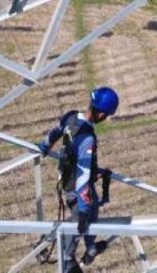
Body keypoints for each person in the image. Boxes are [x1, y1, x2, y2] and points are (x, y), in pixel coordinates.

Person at [37, 87, 119, 272]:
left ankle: (90, 247)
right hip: (75, 186)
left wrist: (44, 146)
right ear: (101, 112)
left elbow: (55, 132)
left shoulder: (71, 117)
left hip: (67, 177)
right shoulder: (87, 139)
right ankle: (65, 258)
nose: (105, 118)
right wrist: (82, 208)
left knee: (94, 204)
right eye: (106, 115)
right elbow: (83, 173)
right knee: (79, 222)